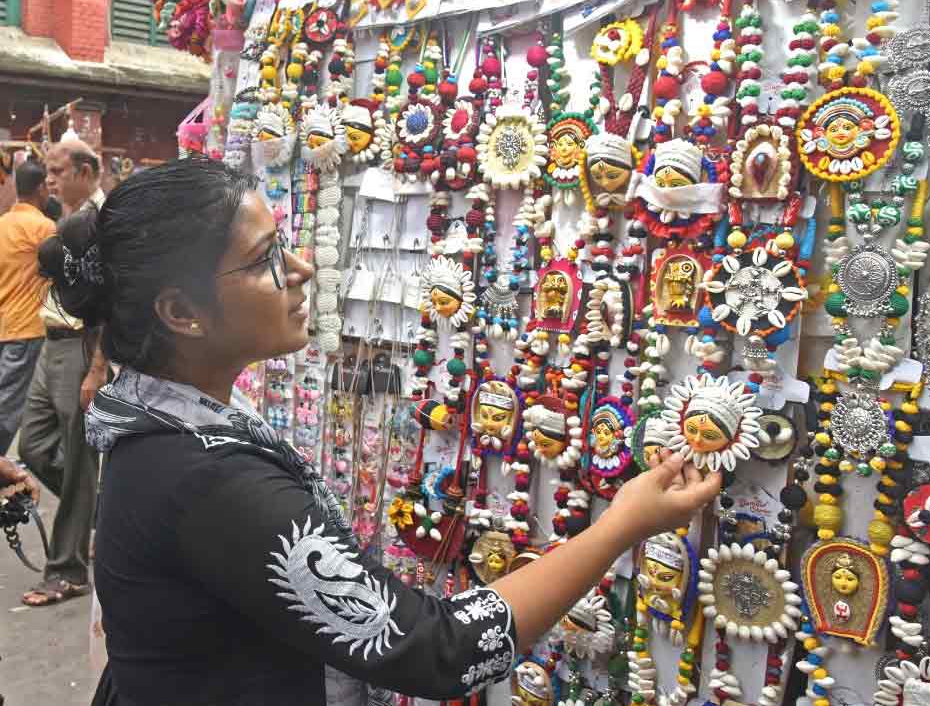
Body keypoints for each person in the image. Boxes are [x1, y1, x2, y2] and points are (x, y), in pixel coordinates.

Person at [39, 158, 720, 706]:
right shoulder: (207, 478)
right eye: (266, 259)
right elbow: (438, 650)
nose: (301, 271)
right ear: (182, 312)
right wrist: (620, 526)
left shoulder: (166, 424)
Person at [18, 139, 108, 607]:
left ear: (87, 170)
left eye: (59, 169)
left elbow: (113, 300)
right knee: (32, 444)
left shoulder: (105, 220)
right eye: (48, 170)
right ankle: (98, 515)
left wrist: (97, 368)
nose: (50, 178)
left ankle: (67, 569)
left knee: (77, 463)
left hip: (81, 345)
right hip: (49, 342)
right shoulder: (60, 215)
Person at [0, 160, 56, 456]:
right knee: (9, 409)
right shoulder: (44, 228)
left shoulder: (2, 224)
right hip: (26, 329)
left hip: (4, 325)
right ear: (41, 188)